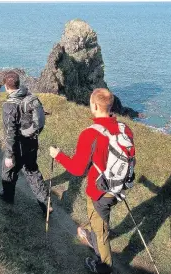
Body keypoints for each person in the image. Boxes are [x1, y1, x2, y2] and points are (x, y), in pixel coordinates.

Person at [49, 88, 135, 274]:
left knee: (101, 233)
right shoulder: (124, 129)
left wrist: (58, 156)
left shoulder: (90, 133)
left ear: (94, 105)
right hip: (119, 187)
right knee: (99, 221)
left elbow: (77, 169)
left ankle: (104, 268)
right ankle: (91, 232)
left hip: (99, 191)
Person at [0, 70, 51, 215]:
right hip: (32, 142)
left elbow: (10, 132)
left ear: (6, 86)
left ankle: (7, 197)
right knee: (32, 171)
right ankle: (45, 203)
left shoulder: (9, 105)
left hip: (18, 146)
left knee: (7, 171)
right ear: (18, 83)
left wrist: (9, 155)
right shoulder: (30, 97)